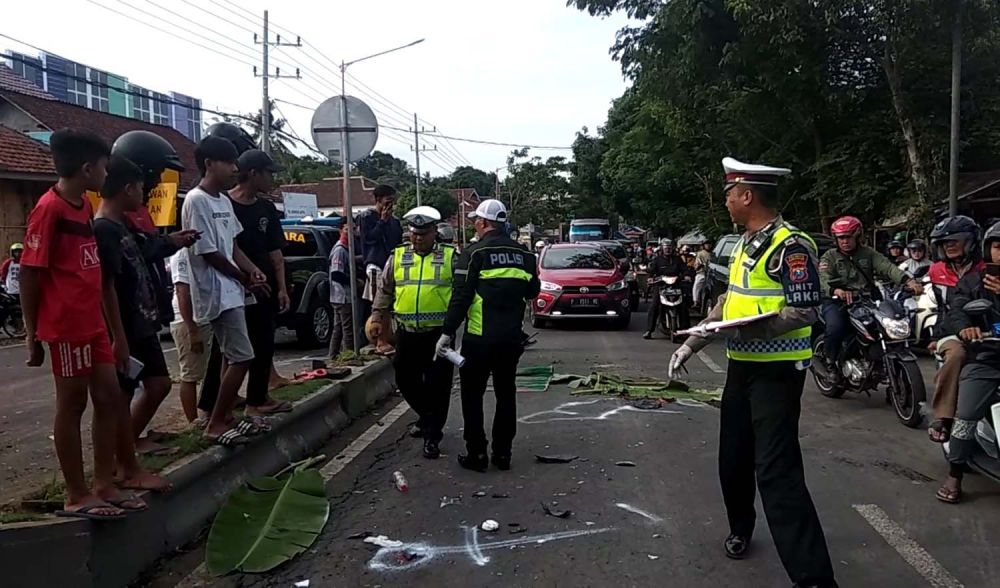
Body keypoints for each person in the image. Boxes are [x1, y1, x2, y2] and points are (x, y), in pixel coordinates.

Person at [667, 157, 836, 588]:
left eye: (729, 193)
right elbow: (730, 301)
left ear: (747, 195)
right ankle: (740, 527)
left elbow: (805, 310)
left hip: (778, 373)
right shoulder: (744, 242)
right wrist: (693, 341)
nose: (725, 201)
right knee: (733, 459)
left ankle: (813, 577)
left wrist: (757, 326)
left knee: (777, 471)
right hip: (741, 368)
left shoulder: (791, 246)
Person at [19, 129, 130, 519]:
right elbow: (30, 274)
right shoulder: (49, 210)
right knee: (73, 404)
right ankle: (76, 493)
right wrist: (32, 334)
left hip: (92, 321)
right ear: (87, 168)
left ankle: (103, 483)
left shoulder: (83, 206)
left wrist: (113, 329)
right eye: (103, 168)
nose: (106, 175)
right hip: (65, 325)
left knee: (110, 396)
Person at [436, 199, 539, 472]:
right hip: (511, 339)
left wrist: (447, 333)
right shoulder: (525, 255)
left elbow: (461, 297)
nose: (475, 225)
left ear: (483, 223)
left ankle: (477, 454)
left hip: (479, 339)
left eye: (475, 221)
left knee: (472, 396)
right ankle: (503, 454)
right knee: (506, 394)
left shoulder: (474, 253)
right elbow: (532, 291)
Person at [181, 136, 269, 446]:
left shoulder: (221, 201)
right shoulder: (196, 200)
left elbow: (231, 245)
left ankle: (226, 415)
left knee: (233, 358)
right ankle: (215, 422)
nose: (235, 169)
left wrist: (251, 270)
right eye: (229, 163)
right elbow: (208, 252)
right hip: (216, 291)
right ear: (209, 164)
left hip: (232, 290)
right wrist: (242, 278)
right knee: (243, 357)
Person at [371, 206, 457, 459]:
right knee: (404, 379)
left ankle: (432, 435)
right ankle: (428, 417)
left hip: (439, 335)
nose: (417, 238)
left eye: (423, 234)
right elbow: (385, 289)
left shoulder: (451, 257)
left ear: (434, 233)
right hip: (407, 333)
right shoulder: (397, 257)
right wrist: (377, 316)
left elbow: (462, 294)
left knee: (438, 386)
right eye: (414, 234)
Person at [934, 220, 1000, 504]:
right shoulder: (974, 281)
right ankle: (955, 473)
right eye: (999, 246)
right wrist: (965, 329)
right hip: (989, 357)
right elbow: (957, 308)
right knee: (967, 414)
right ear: (987, 248)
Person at [228, 149, 292, 417]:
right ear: (252, 173)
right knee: (229, 349)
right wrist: (244, 277)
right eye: (268, 173)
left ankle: (258, 398)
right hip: (233, 286)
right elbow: (225, 248)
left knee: (264, 341)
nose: (271, 179)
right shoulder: (223, 204)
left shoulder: (266, 208)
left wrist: (282, 288)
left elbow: (275, 253)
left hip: (263, 285)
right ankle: (220, 404)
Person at [818, 216, 921, 376]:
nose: (844, 241)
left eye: (848, 237)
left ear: (858, 236)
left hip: (866, 299)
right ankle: (830, 361)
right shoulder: (829, 257)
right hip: (836, 301)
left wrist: (908, 281)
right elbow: (823, 278)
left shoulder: (868, 253)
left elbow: (888, 268)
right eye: (841, 238)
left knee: (884, 323)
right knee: (836, 327)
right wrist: (835, 291)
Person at [925, 216, 984, 443]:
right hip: (952, 332)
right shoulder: (937, 270)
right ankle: (944, 417)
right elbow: (944, 309)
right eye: (944, 242)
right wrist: (938, 336)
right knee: (957, 354)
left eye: (954, 240)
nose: (948, 245)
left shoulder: (985, 268)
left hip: (988, 330)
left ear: (970, 241)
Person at [358, 185, 403, 348]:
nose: (391, 205)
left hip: (391, 263)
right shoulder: (367, 217)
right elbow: (369, 239)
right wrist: (382, 221)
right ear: (378, 200)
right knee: (379, 302)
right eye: (388, 201)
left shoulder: (395, 221)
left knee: (390, 303)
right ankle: (379, 340)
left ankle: (388, 336)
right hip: (376, 264)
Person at [642, 237, 691, 339]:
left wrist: (686, 275)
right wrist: (651, 278)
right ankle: (649, 330)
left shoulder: (677, 259)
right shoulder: (657, 260)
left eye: (669, 248)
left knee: (683, 306)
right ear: (662, 249)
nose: (668, 249)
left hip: (676, 286)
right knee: (654, 306)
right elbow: (651, 272)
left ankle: (685, 330)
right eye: (666, 248)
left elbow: (685, 269)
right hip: (661, 286)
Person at [328, 228, 355, 357]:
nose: (350, 232)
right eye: (347, 229)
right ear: (340, 231)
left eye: (353, 229)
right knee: (347, 330)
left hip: (339, 296)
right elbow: (336, 274)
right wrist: (354, 282)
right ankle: (348, 356)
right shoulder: (339, 250)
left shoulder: (346, 249)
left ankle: (332, 356)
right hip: (342, 296)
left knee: (338, 329)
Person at [692, 239, 713, 310]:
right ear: (703, 245)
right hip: (702, 273)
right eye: (706, 244)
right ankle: (696, 301)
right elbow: (696, 265)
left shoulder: (713, 253)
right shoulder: (700, 253)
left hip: (711, 274)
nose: (708, 245)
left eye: (709, 244)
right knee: (696, 286)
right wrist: (700, 265)